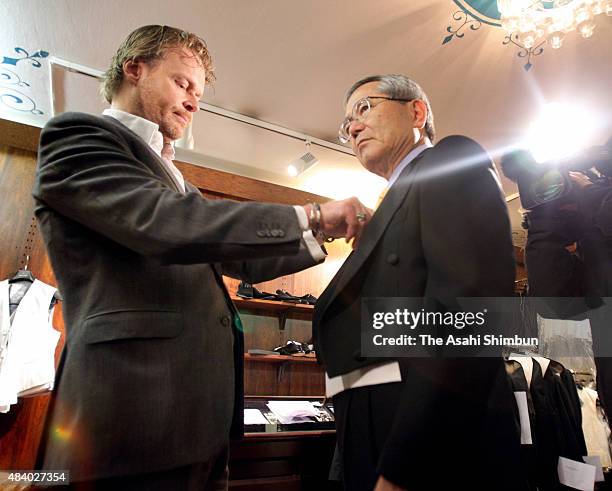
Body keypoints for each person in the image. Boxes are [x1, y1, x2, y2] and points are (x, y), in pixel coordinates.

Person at [33, 25, 370, 489]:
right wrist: (312, 214)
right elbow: (167, 223)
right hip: (130, 417)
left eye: (199, 93)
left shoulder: (177, 179)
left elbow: (244, 262)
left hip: (198, 423)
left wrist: (327, 234)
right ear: (135, 69)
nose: (194, 101)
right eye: (183, 84)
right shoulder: (77, 136)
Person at [312, 74, 527, 490]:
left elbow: (468, 314)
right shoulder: (389, 206)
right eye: (346, 123)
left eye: (364, 107)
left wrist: (405, 464)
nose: (353, 126)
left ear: (417, 111)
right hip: (371, 427)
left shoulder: (449, 159)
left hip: (427, 440)